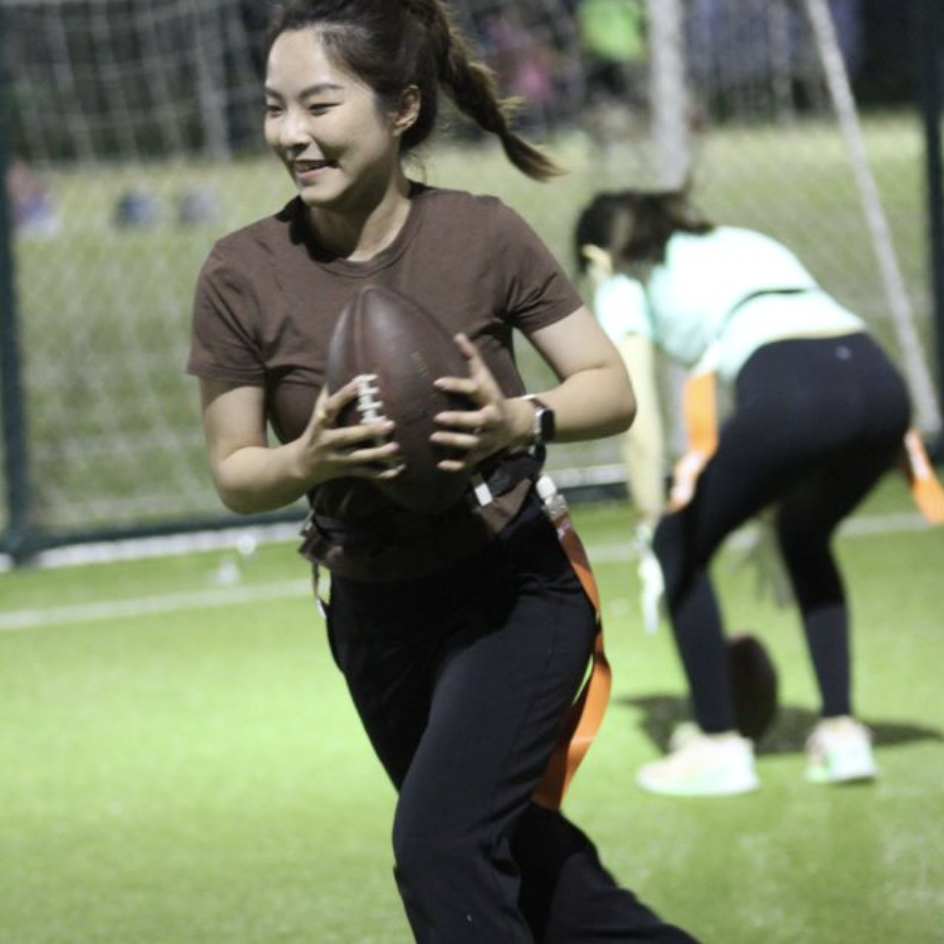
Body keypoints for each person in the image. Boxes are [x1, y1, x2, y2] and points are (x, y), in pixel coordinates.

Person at [188, 2, 702, 942]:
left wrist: (516, 418)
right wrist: (307, 459)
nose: (291, 134)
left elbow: (609, 388)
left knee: (439, 849)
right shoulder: (241, 271)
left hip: (513, 585)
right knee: (529, 872)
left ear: (402, 108)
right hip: (373, 611)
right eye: (273, 108)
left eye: (318, 105)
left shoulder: (482, 234)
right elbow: (235, 469)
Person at [574, 187, 913, 797]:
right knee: (803, 536)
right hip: (881, 384)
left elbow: (639, 422)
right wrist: (767, 510)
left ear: (596, 256)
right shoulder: (740, 241)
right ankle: (843, 736)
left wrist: (653, 526)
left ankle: (718, 746)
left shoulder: (622, 277)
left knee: (678, 543)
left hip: (797, 393)